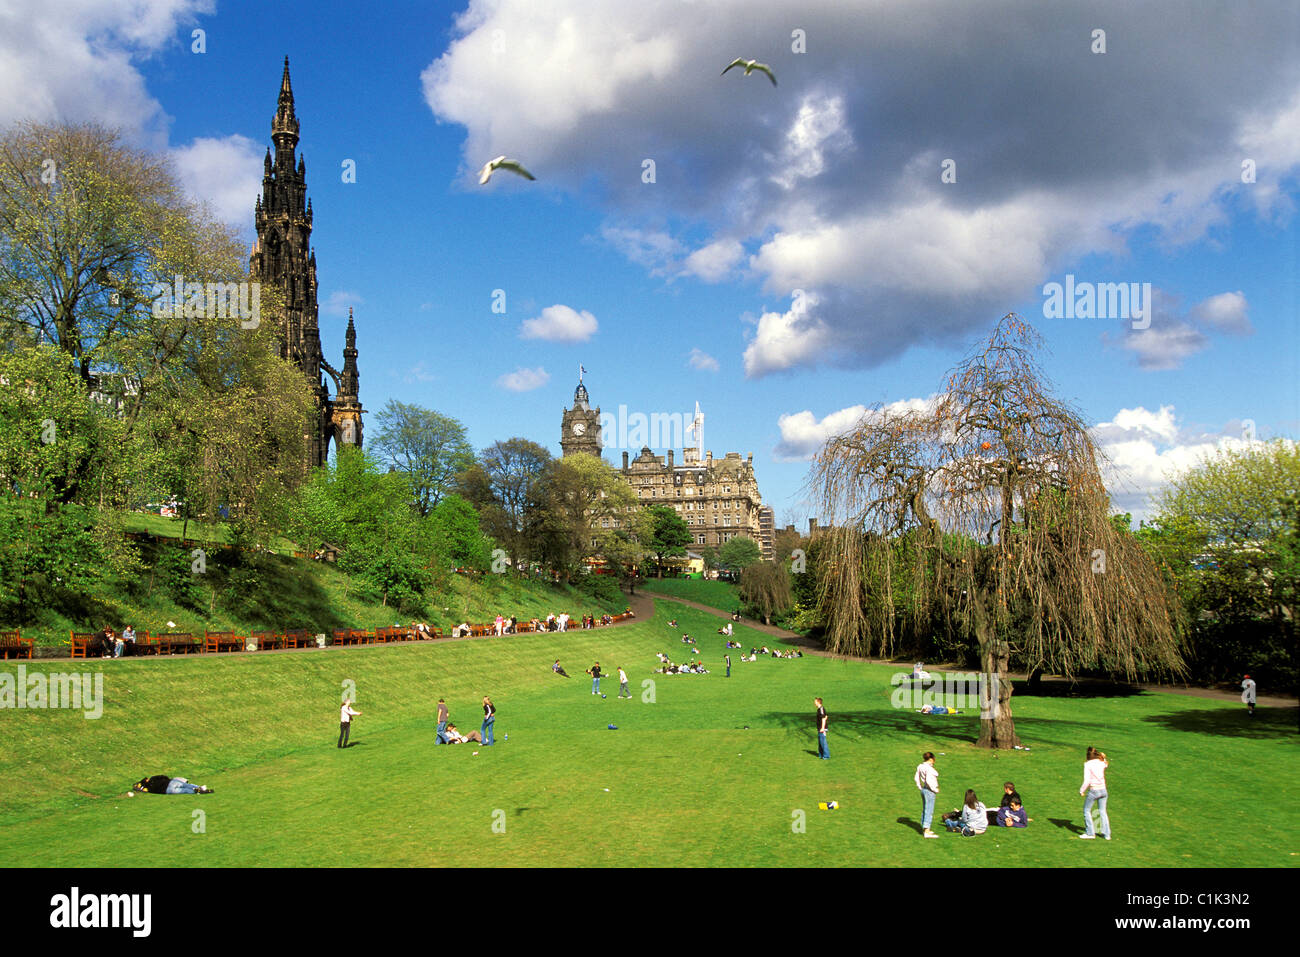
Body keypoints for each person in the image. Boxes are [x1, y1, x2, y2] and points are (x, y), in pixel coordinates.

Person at [1079, 746, 1110, 840]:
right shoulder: (1101, 762)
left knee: (1086, 810)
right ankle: (1107, 835)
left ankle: (1090, 833)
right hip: (1104, 790)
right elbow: (1106, 764)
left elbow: (1087, 780)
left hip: (1094, 791)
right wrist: (1103, 757)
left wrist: (1081, 790)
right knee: (1102, 811)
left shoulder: (1087, 764)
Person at [914, 752, 939, 838]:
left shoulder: (920, 766)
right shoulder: (929, 768)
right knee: (929, 810)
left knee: (925, 808)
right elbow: (929, 780)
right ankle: (926, 831)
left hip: (924, 789)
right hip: (929, 790)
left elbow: (916, 778)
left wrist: (920, 787)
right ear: (931, 759)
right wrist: (935, 789)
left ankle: (925, 828)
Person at [133, 774, 213, 795]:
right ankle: (200, 788)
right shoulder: (153, 778)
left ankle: (196, 791)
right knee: (187, 785)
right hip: (170, 782)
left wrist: (140, 789)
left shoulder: (149, 789)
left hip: (168, 790)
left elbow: (145, 790)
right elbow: (164, 776)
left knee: (184, 790)